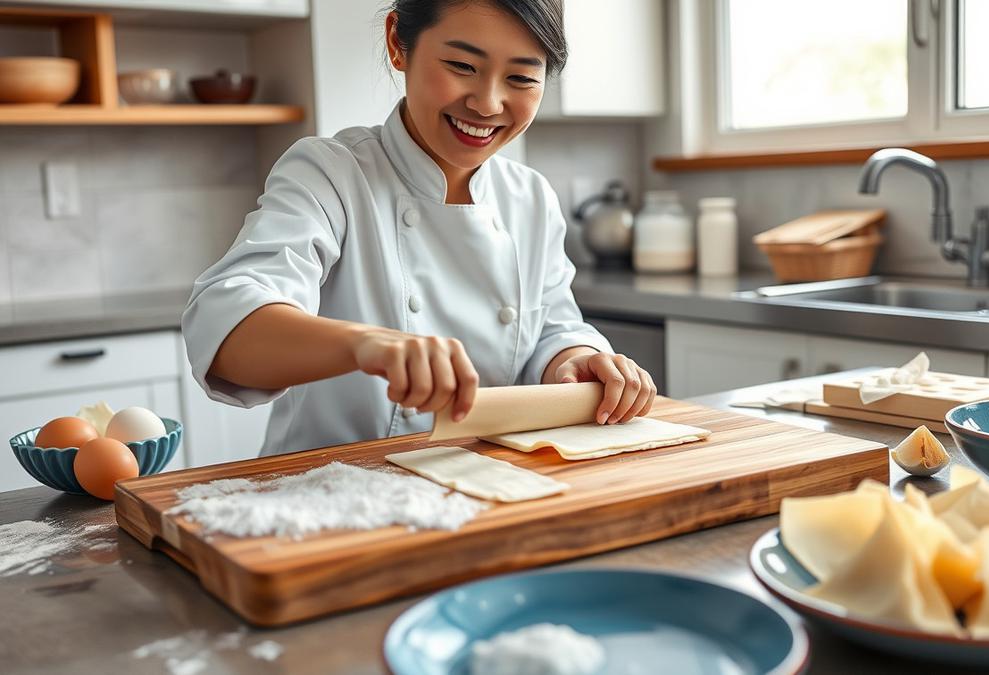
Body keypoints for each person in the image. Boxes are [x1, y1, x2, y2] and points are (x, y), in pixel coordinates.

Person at [182, 0, 656, 457]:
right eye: (462, 66)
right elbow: (229, 327)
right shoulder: (331, 173)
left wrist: (574, 357)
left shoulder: (530, 196)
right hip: (329, 490)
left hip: (481, 482)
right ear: (397, 43)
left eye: (520, 78)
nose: (488, 103)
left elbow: (551, 326)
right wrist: (368, 344)